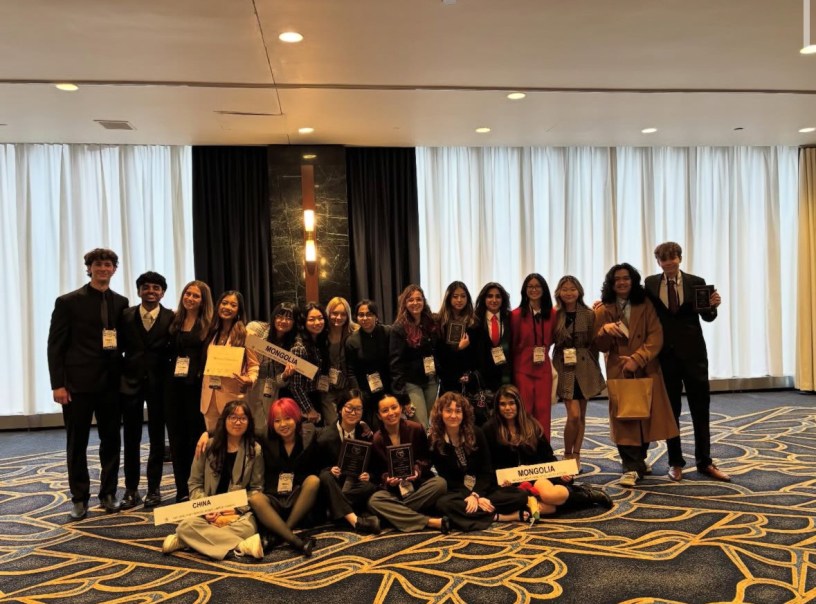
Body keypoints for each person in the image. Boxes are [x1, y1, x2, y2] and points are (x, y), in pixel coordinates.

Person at [47, 248, 129, 520]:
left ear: (114, 269)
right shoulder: (68, 302)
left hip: (111, 385)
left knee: (111, 441)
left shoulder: (122, 302)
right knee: (77, 443)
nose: (103, 269)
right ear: (89, 268)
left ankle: (108, 494)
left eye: (108, 265)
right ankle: (79, 498)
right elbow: (55, 346)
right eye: (98, 264)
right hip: (77, 385)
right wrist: (58, 384)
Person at [644, 242, 730, 482]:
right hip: (665, 357)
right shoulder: (650, 284)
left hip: (694, 356)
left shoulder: (696, 282)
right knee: (671, 412)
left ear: (680, 259)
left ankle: (705, 462)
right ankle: (675, 462)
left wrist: (714, 306)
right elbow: (639, 310)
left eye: (672, 258)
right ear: (658, 262)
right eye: (663, 259)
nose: (668, 263)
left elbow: (707, 317)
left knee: (700, 410)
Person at [594, 263, 679, 487]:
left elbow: (656, 336)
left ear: (633, 281)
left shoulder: (645, 304)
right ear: (611, 284)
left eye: (626, 278)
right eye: (617, 279)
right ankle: (630, 467)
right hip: (619, 369)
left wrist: (638, 359)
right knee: (625, 419)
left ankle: (639, 459)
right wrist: (604, 331)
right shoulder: (603, 309)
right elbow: (600, 346)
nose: (622, 283)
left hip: (646, 367)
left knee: (645, 416)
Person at [482, 385, 612, 515]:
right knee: (545, 507)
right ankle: (571, 499)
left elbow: (547, 457)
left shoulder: (531, 425)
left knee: (550, 495)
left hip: (536, 476)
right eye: (502, 404)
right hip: (509, 485)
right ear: (497, 407)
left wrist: (561, 474)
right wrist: (499, 480)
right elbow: (487, 465)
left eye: (511, 403)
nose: (507, 408)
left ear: (518, 404)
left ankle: (587, 495)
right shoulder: (489, 429)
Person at [162, 400, 265, 560]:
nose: (238, 422)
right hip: (207, 510)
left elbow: (256, 489)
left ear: (249, 422)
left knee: (248, 528)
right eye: (233, 417)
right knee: (185, 526)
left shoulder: (254, 450)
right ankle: (240, 546)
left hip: (236, 514)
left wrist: (237, 508)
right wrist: (206, 508)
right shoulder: (207, 446)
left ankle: (187, 541)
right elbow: (194, 483)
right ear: (224, 420)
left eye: (243, 418)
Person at [429, 392, 529, 531]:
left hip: (483, 489)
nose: (453, 415)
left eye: (458, 411)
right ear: (440, 413)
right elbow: (448, 479)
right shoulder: (435, 441)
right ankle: (499, 517)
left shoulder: (476, 433)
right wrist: (469, 496)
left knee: (520, 496)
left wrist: (477, 495)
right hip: (457, 492)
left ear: (464, 414)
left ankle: (471, 515)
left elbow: (486, 470)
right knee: (442, 504)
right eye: (448, 411)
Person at [118, 271, 174, 510]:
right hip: (130, 383)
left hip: (159, 385)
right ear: (139, 290)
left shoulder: (172, 317)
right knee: (130, 439)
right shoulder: (125, 315)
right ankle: (131, 490)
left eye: (156, 288)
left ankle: (154, 489)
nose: (151, 291)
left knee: (157, 439)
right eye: (146, 287)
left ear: (163, 293)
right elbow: (117, 347)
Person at [367, 395, 449, 533]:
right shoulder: (376, 440)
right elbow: (377, 473)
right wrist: (388, 479)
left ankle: (391, 516)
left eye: (394, 407)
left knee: (440, 483)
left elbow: (426, 459)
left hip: (418, 486)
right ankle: (429, 521)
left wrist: (417, 470)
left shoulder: (416, 428)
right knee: (374, 501)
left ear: (400, 408)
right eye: (385, 410)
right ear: (379, 416)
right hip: (395, 492)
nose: (391, 413)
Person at [249, 397, 320, 556]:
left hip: (298, 498)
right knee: (255, 499)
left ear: (296, 418)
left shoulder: (309, 433)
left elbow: (331, 432)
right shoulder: (265, 436)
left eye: (288, 418)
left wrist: (363, 425)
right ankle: (296, 541)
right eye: (277, 421)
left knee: (313, 480)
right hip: (274, 498)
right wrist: (206, 433)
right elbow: (239, 429)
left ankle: (279, 535)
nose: (283, 424)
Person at [551, 276, 606, 473]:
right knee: (573, 415)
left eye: (572, 289)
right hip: (563, 365)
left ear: (579, 291)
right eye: (564, 289)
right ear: (559, 292)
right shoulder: (555, 314)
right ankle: (567, 453)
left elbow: (593, 342)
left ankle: (577, 454)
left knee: (581, 415)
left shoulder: (589, 314)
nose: (569, 293)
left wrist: (594, 369)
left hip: (584, 366)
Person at [165, 280, 213, 503]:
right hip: (173, 388)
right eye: (188, 294)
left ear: (203, 301)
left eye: (196, 296)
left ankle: (197, 487)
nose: (190, 298)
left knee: (196, 437)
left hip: (197, 388)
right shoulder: (173, 320)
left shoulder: (209, 325)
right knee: (177, 439)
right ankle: (181, 488)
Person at [316, 388, 380, 534]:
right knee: (325, 477)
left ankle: (335, 510)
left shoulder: (366, 434)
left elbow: (375, 468)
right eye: (349, 407)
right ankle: (355, 521)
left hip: (354, 486)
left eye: (358, 409)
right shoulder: (324, 437)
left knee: (369, 486)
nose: (353, 412)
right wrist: (330, 470)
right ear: (340, 409)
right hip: (334, 485)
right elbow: (315, 469)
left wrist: (369, 475)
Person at [200, 291, 259, 433]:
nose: (227, 307)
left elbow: (254, 365)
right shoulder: (211, 331)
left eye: (233, 305)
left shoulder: (248, 335)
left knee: (233, 438)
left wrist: (250, 379)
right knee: (213, 439)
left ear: (239, 310)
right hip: (209, 398)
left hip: (232, 396)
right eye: (224, 303)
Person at [511, 273, 557, 439]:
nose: (534, 290)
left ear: (544, 289)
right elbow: (513, 343)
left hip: (543, 369)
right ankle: (524, 446)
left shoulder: (552, 314)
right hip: (522, 369)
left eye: (538, 286)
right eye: (530, 287)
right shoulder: (516, 315)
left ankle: (543, 447)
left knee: (543, 410)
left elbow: (553, 338)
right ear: (525, 290)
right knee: (524, 410)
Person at [390, 285, 440, 427]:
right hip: (412, 383)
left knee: (431, 423)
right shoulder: (398, 328)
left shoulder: (431, 323)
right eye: (410, 300)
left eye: (419, 299)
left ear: (424, 301)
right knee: (421, 425)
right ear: (405, 303)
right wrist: (403, 397)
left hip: (431, 380)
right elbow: (395, 364)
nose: (415, 303)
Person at [246, 302, 299, 437]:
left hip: (270, 389)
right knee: (246, 419)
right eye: (280, 316)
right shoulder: (257, 329)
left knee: (265, 426)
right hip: (250, 382)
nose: (283, 321)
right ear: (274, 316)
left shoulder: (292, 345)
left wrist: (285, 375)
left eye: (289, 318)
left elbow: (278, 382)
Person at [345, 299, 392, 428]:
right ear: (356, 317)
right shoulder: (352, 341)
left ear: (376, 316)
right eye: (361, 315)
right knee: (369, 428)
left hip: (388, 389)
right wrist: (358, 396)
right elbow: (351, 372)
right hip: (365, 391)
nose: (365, 318)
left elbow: (394, 363)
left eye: (369, 314)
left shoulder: (387, 333)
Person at [436, 281, 482, 397]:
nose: (459, 300)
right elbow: (439, 354)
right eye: (455, 296)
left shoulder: (474, 323)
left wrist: (471, 376)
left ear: (468, 298)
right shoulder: (440, 323)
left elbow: (478, 355)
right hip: (447, 379)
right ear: (448, 298)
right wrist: (459, 349)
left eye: (463, 296)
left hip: (468, 380)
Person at [289, 302, 328, 424]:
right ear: (304, 322)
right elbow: (295, 386)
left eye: (320, 318)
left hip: (316, 395)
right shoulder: (299, 348)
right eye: (311, 319)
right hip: (304, 401)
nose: (317, 322)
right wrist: (309, 409)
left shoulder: (319, 342)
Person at [323, 297, 359, 426]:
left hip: (348, 386)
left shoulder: (355, 332)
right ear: (328, 313)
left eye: (343, 314)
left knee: (350, 422)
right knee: (333, 424)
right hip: (327, 387)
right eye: (335, 313)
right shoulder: (322, 332)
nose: (338, 317)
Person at [473, 282, 513, 394]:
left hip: (505, 375)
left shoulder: (510, 319)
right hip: (482, 377)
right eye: (490, 296)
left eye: (498, 296)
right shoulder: (475, 320)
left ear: (503, 299)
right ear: (483, 299)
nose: (494, 300)